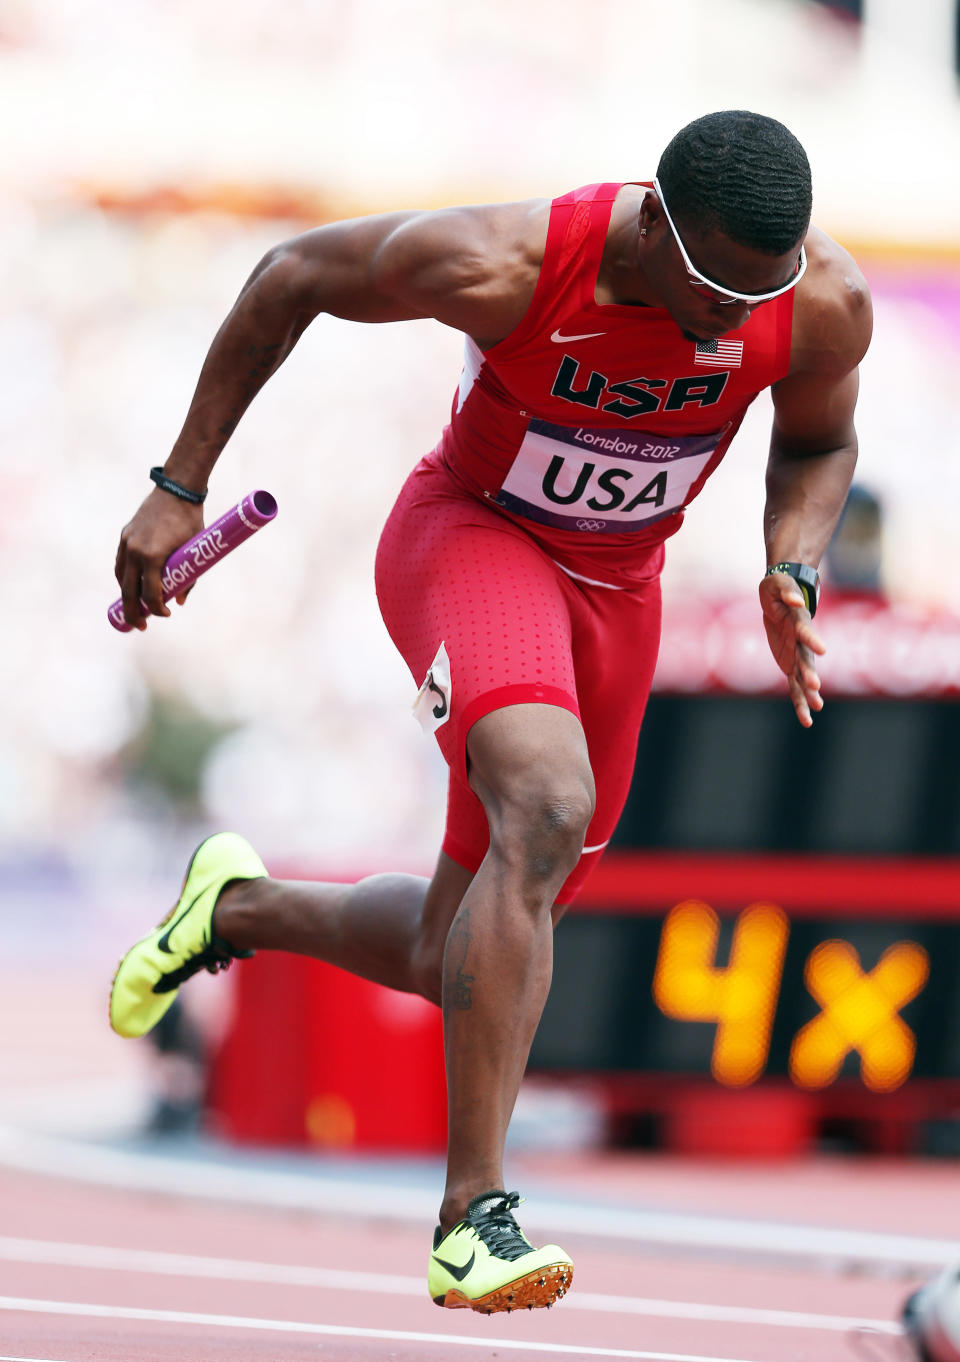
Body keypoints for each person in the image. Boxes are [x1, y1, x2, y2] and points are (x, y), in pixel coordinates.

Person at [109, 109, 872, 1315]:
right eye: (715, 286)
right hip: (475, 538)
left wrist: (795, 561)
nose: (735, 314)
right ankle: (476, 1218)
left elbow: (821, 443)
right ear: (658, 225)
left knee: (452, 951)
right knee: (547, 804)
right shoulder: (511, 261)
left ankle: (235, 906)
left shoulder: (817, 300)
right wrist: (175, 486)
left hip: (621, 592)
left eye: (757, 288)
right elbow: (287, 276)